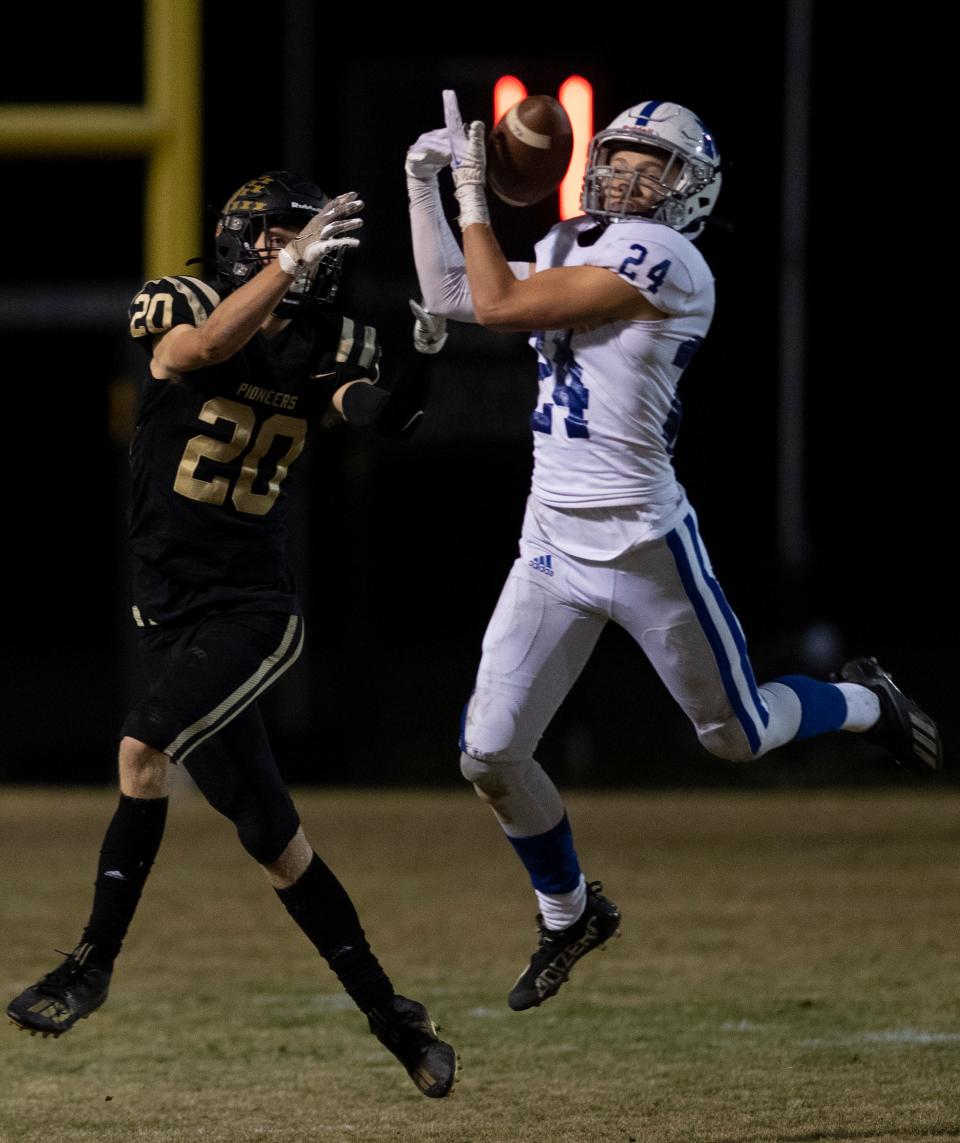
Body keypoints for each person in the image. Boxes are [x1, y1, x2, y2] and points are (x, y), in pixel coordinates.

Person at [405, 96, 944, 1012]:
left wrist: (471, 195)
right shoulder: (580, 236)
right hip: (550, 541)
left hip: (644, 543)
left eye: (649, 163)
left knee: (734, 736)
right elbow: (455, 294)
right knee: (489, 753)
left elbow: (494, 302)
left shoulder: (673, 259)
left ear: (687, 189)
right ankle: (569, 912)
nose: (624, 171)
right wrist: (424, 184)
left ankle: (863, 701)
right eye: (617, 153)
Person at [6, 171, 456, 1099]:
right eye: (263, 237)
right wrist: (286, 264)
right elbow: (201, 348)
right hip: (168, 614)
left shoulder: (333, 339)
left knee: (141, 748)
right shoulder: (181, 301)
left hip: (251, 610)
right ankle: (396, 1021)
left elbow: (381, 416)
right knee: (274, 840)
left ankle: (91, 962)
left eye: (291, 237)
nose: (273, 250)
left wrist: (424, 352)